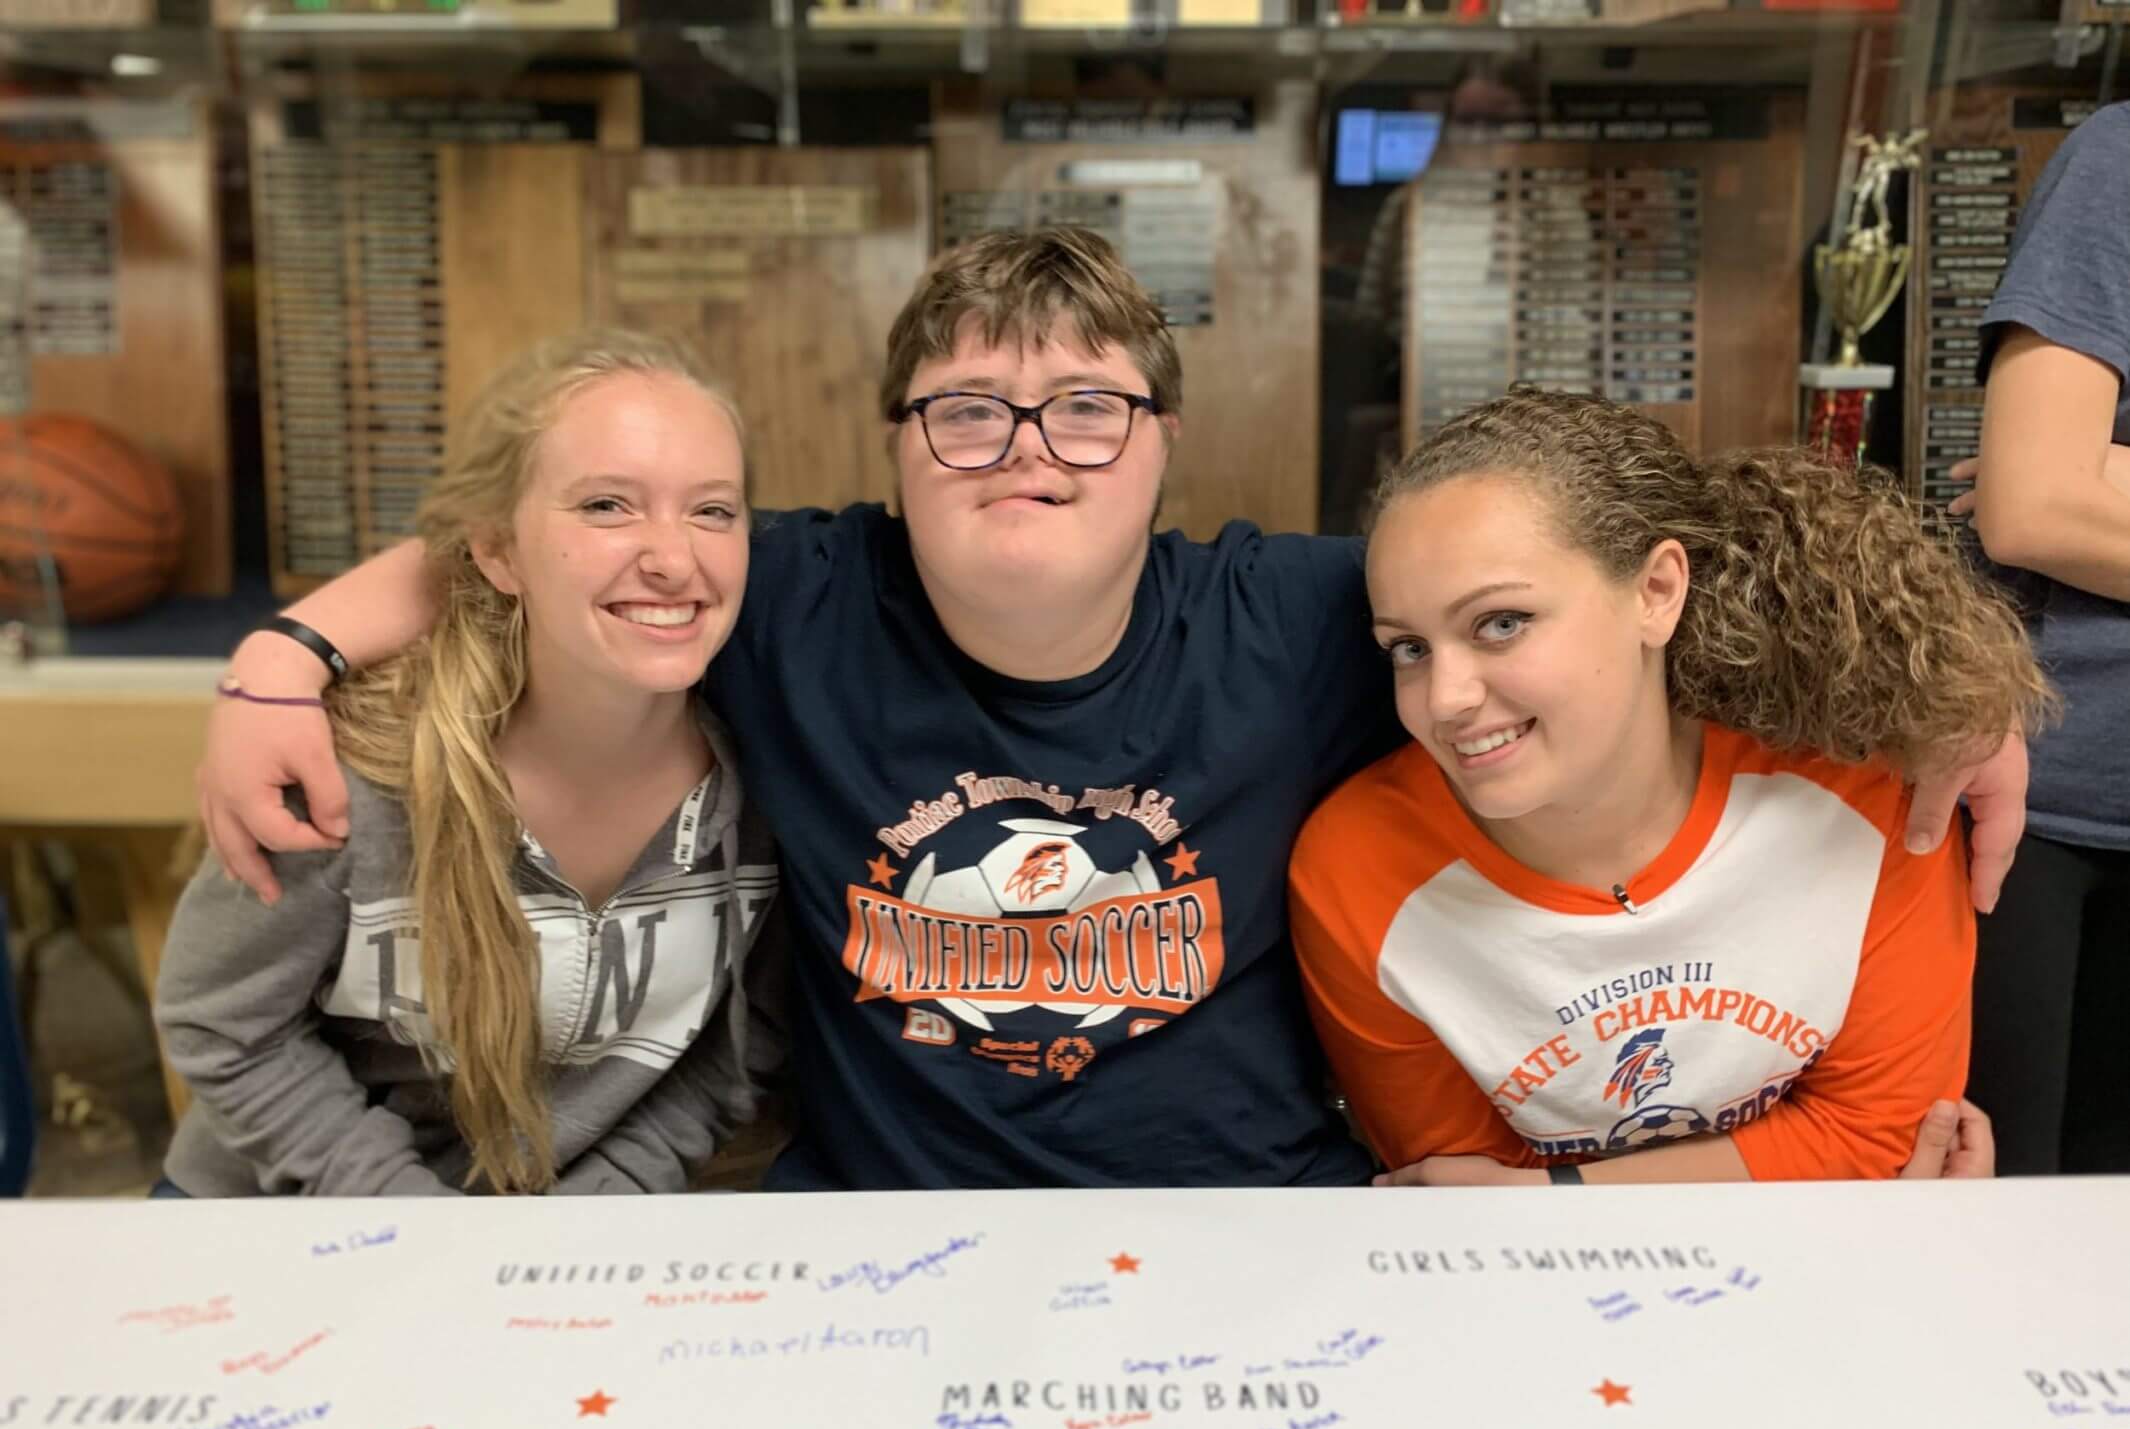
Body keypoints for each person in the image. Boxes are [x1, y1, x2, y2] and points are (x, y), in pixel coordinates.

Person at [193, 229, 2028, 1191]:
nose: (1028, 450)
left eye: (1086, 406)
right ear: (894, 458)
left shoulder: (1307, 611)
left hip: (1261, 1230)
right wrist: (283, 655)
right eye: (966, 410)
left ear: (1164, 446)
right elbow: (548, 534)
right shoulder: (796, 592)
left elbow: (1617, 549)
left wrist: (1950, 690)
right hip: (883, 1234)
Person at [1289, 389, 2052, 1186]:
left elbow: (1887, 1140)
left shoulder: (1864, 791)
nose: (1444, 699)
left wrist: (1559, 1193)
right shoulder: (1357, 872)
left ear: (1657, 592)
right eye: (1408, 648)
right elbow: (1464, 1202)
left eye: (1501, 623)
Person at [154, 330, 783, 1196]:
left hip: (575, 1239)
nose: (674, 559)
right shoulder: (360, 770)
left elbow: (738, 1053)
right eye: (606, 506)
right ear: (497, 551)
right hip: (290, 1219)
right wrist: (416, 1230)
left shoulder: (769, 774)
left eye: (713, 510)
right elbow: (223, 1026)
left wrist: (603, 1212)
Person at [1947, 102, 2130, 1176]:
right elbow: (2034, 504)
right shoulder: (2121, 159)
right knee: (2000, 1234)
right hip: (2046, 817)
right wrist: (2076, 478)